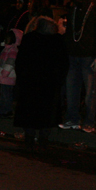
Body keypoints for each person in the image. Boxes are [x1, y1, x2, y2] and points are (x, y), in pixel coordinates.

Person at [14, 17, 69, 149]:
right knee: (47, 113)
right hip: (49, 84)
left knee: (29, 111)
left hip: (30, 82)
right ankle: (43, 138)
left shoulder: (30, 39)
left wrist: (22, 78)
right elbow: (63, 64)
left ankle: (30, 137)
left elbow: (21, 61)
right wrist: (59, 80)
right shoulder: (57, 41)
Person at [60, 0, 96, 133]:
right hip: (73, 56)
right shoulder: (73, 10)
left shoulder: (95, 11)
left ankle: (89, 122)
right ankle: (72, 119)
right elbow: (70, 33)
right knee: (71, 90)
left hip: (88, 57)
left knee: (89, 92)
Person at [0, 29, 22, 117]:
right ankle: (3, 110)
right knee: (3, 95)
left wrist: (3, 73)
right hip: (3, 77)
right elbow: (0, 62)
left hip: (7, 77)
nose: (7, 39)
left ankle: (6, 111)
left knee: (6, 95)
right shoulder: (5, 49)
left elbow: (10, 64)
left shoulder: (12, 51)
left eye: (9, 38)